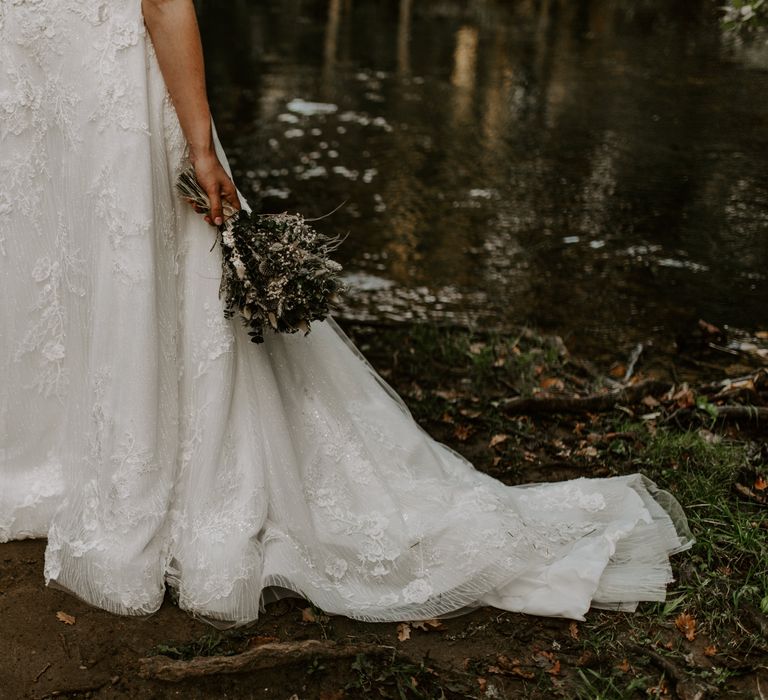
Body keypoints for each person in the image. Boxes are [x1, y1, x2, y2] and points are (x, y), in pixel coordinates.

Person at [0, 0, 692, 627]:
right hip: (99, 98)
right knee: (111, 275)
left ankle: (56, 468)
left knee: (64, 278)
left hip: (39, 90)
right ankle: (119, 475)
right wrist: (202, 148)